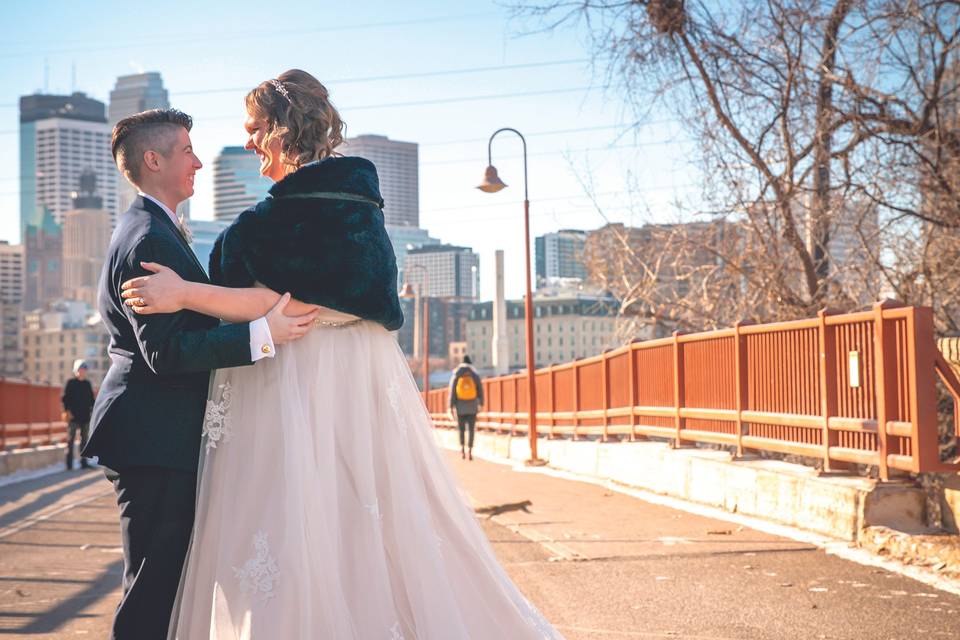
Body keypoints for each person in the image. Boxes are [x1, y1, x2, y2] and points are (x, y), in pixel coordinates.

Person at [121, 70, 562, 639]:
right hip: (353, 394)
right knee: (360, 524)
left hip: (290, 395)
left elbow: (285, 305)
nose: (250, 142)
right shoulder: (361, 210)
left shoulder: (276, 222)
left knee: (293, 528)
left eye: (255, 130)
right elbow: (323, 300)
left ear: (282, 132)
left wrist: (184, 293)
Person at [83, 108, 320, 640]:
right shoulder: (149, 239)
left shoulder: (153, 228)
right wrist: (264, 335)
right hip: (155, 438)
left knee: (162, 585)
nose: (196, 161)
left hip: (156, 435)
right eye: (187, 150)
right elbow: (163, 353)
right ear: (153, 159)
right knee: (153, 588)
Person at [448, 355, 484, 460]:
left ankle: (462, 449)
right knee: (471, 429)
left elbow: (452, 392)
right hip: (472, 406)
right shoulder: (474, 374)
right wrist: (481, 403)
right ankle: (470, 451)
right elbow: (480, 390)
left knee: (461, 429)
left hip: (460, 407)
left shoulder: (456, 374)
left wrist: (450, 406)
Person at [62, 359, 95, 470]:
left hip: (85, 417)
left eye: (84, 369)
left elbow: (92, 401)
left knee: (84, 442)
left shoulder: (87, 384)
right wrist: (66, 412)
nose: (82, 371)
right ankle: (69, 465)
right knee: (70, 441)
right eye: (80, 369)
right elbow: (65, 399)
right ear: (76, 370)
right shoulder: (70, 383)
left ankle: (83, 463)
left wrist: (93, 412)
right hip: (73, 417)